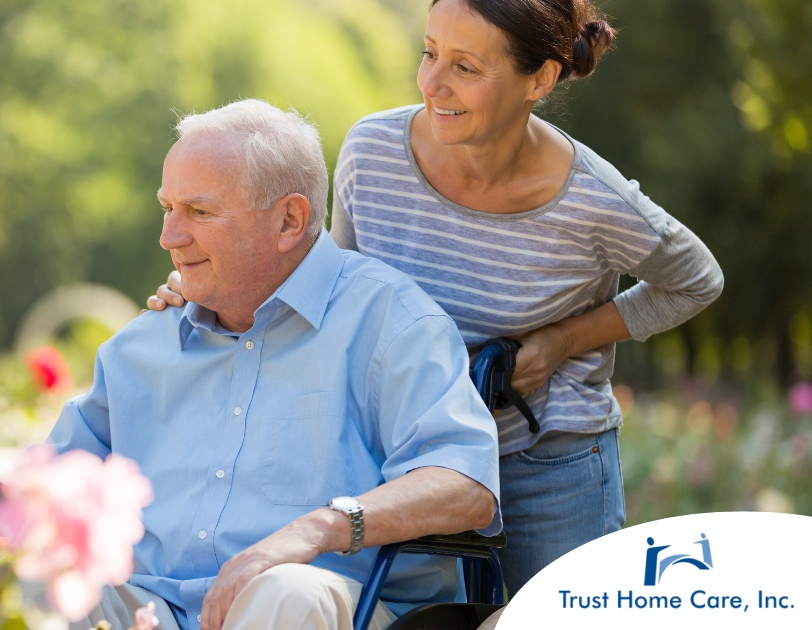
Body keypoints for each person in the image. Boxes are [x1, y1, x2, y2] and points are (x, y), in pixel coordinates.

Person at [0, 99, 501, 630]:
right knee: (34, 588)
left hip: (329, 607)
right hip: (153, 610)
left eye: (197, 212)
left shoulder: (388, 321)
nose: (168, 236)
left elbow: (464, 483)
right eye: (167, 209)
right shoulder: (141, 346)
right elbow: (47, 484)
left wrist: (313, 530)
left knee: (283, 593)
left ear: (290, 221)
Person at [148, 0, 724, 598]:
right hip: (403, 462)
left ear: (541, 78)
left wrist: (562, 342)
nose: (432, 83)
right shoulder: (372, 154)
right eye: (429, 53)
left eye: (466, 68)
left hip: (543, 458)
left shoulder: (593, 201)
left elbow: (696, 280)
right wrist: (208, 288)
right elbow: (332, 289)